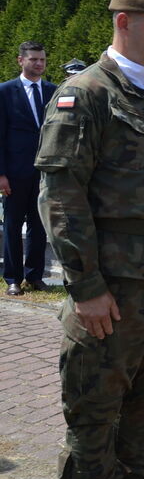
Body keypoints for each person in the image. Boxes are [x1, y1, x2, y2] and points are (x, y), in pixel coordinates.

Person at [36, 0, 144, 479]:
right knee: (93, 422)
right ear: (124, 22)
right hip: (112, 289)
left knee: (140, 413)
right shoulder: (85, 95)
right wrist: (85, 287)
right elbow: (63, 199)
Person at [1, 41, 56, 296]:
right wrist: (1, 174)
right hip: (14, 172)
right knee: (13, 225)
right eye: (34, 59)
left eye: (42, 59)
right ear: (20, 60)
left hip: (45, 171)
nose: (39, 64)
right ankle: (13, 278)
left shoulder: (53, 91)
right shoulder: (5, 91)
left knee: (40, 224)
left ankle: (35, 276)